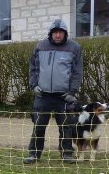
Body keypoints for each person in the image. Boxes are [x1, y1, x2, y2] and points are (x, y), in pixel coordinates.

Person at [24, 19, 83, 164]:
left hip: (63, 96)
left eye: (60, 32)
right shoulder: (40, 46)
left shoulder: (74, 47)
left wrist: (72, 92)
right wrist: (33, 86)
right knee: (38, 126)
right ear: (51, 33)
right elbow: (33, 68)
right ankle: (34, 154)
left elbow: (77, 72)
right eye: (55, 32)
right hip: (42, 95)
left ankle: (67, 153)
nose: (58, 35)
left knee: (66, 127)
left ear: (65, 33)